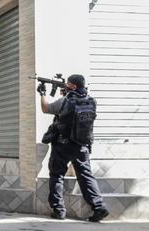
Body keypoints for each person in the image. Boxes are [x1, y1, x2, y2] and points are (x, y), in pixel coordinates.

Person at [39, 74, 109, 222]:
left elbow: (46, 108)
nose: (65, 85)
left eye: (68, 84)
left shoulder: (65, 101)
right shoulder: (92, 101)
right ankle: (99, 207)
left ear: (74, 86)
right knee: (85, 176)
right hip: (82, 145)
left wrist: (43, 94)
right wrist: (68, 93)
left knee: (57, 175)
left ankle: (59, 210)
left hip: (63, 145)